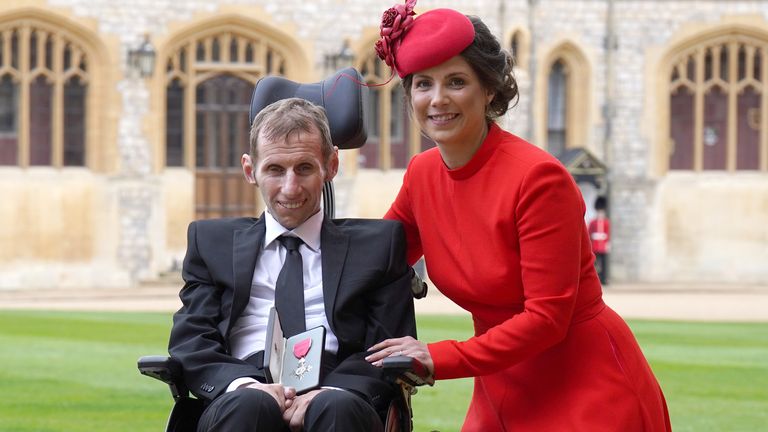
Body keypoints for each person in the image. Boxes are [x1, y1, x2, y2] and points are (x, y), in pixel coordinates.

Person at [365, 2, 671, 431]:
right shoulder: (422, 174)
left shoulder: (539, 178)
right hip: (500, 387)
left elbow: (547, 318)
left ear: (489, 90)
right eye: (423, 84)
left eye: (456, 81)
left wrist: (439, 356)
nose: (437, 99)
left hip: (586, 387)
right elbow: (373, 258)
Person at [169, 97, 416, 432]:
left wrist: (332, 389)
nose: (290, 187)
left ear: (331, 166)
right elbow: (192, 341)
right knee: (249, 406)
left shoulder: (379, 246)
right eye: (274, 169)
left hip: (339, 388)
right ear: (249, 170)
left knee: (337, 408)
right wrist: (245, 385)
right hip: (242, 386)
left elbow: (389, 348)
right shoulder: (211, 242)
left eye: (304, 168)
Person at [589, 196, 611, 284]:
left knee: (604, 264)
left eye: (601, 212)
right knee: (595, 263)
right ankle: (596, 279)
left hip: (603, 244)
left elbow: (607, 234)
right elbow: (589, 233)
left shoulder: (606, 222)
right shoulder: (593, 222)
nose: (600, 214)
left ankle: (604, 279)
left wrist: (608, 244)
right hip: (595, 245)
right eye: (599, 212)